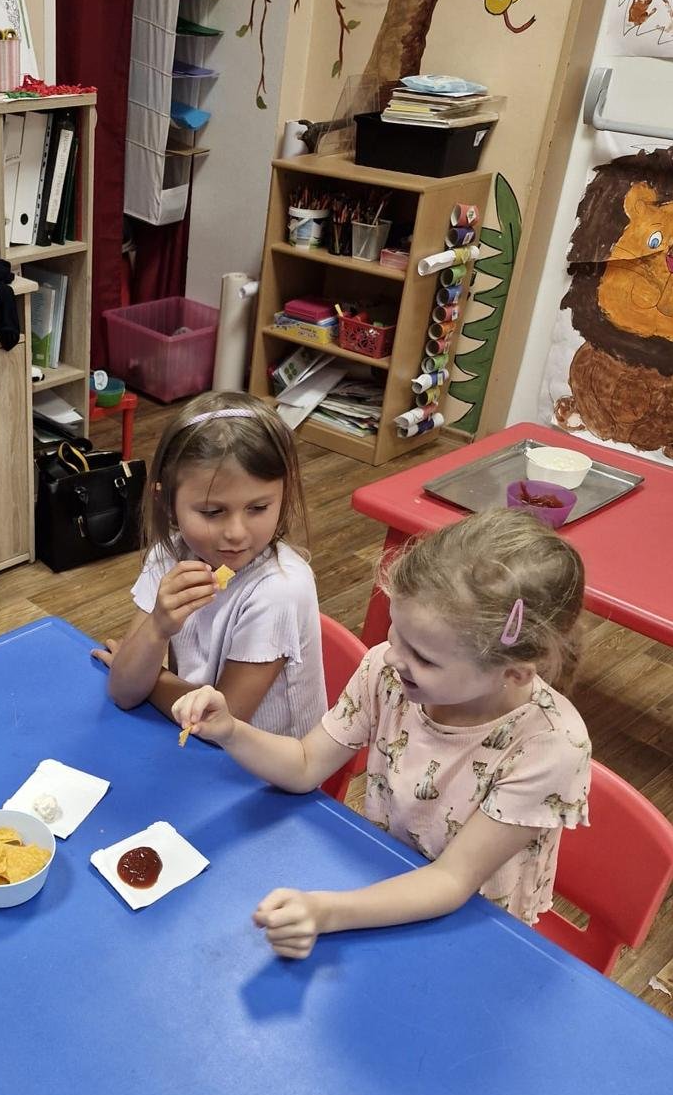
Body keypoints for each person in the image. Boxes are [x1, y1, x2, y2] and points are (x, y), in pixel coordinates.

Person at [171, 509, 591, 956]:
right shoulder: (388, 673)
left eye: (424, 657)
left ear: (515, 673)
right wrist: (231, 731)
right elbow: (306, 765)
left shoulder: (550, 747)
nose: (393, 656)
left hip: (473, 929)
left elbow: (451, 880)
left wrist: (326, 913)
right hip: (381, 876)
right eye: (396, 631)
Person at [93, 390, 326, 737]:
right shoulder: (169, 556)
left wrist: (151, 678)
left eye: (258, 508)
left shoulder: (281, 588)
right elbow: (124, 691)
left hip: (263, 766)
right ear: (167, 502)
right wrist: (157, 627)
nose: (236, 533)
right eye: (212, 512)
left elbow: (219, 722)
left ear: (284, 493)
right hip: (197, 747)